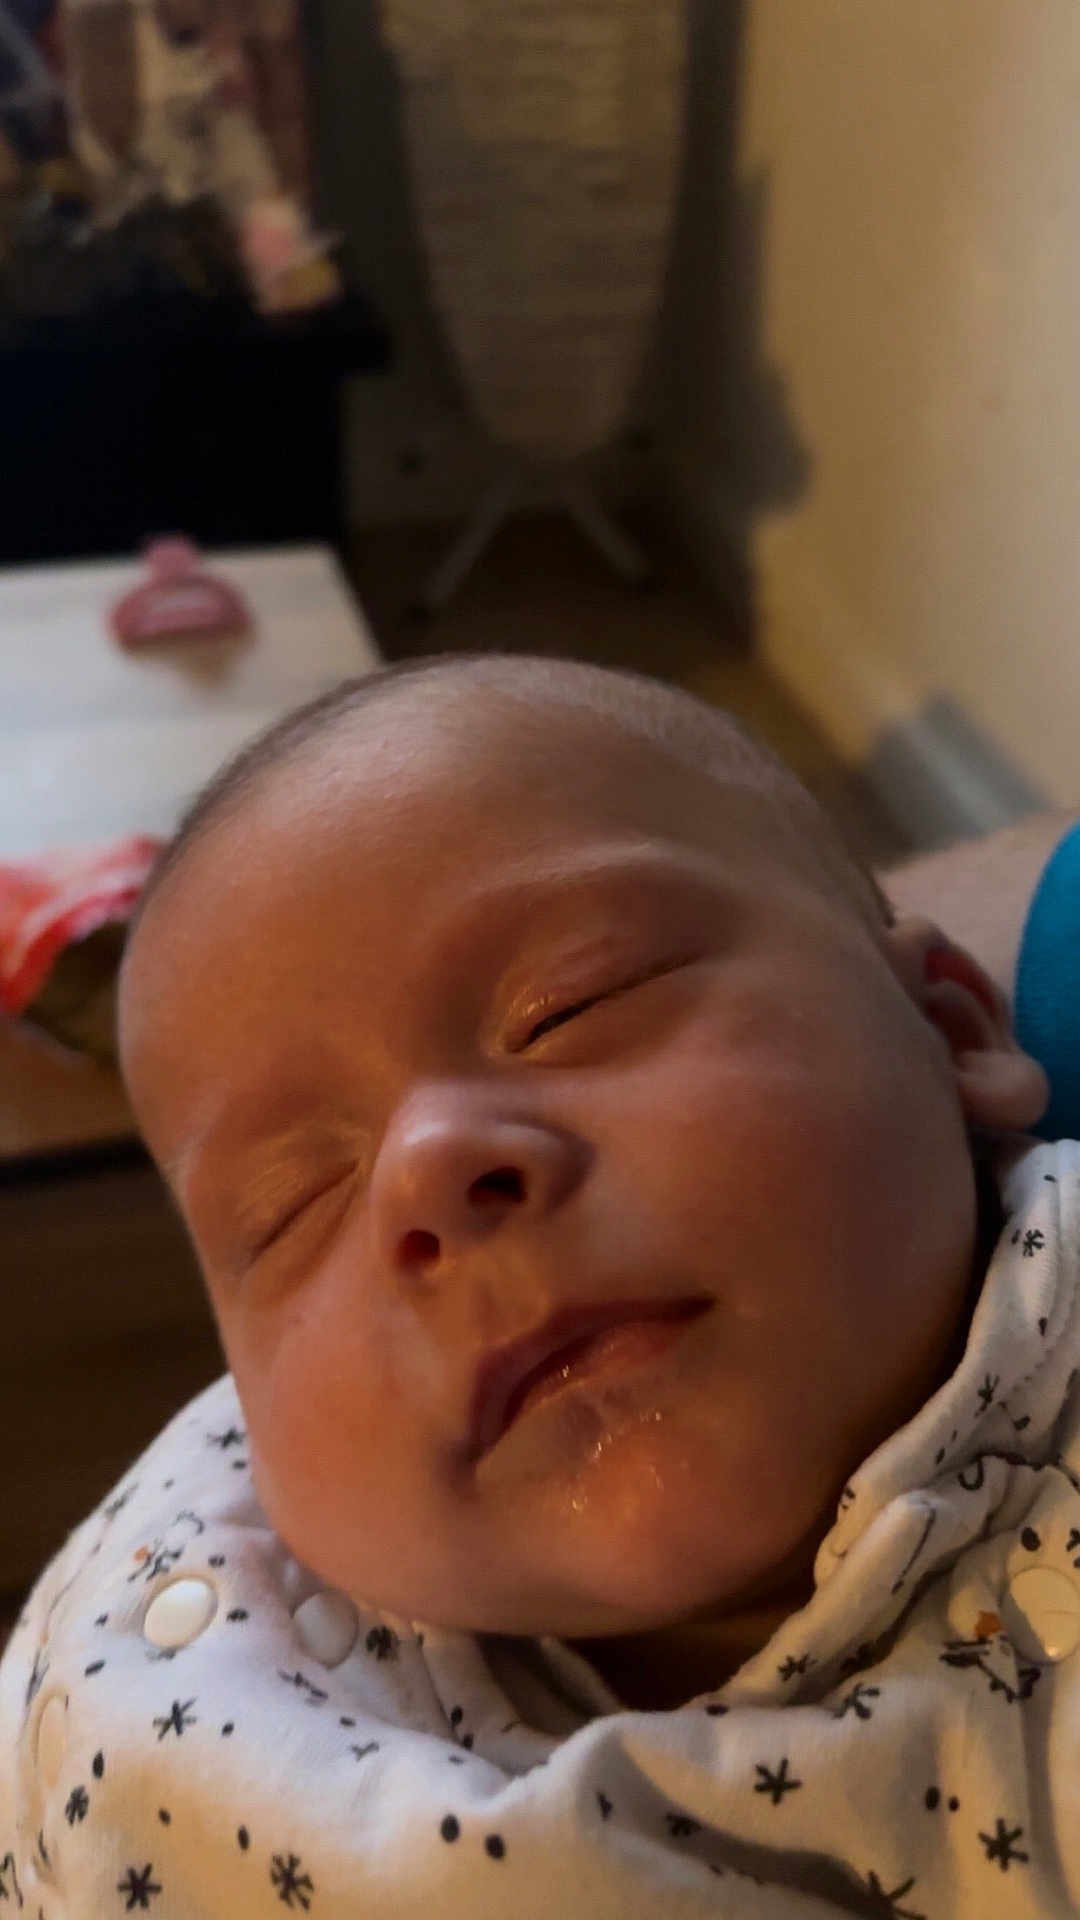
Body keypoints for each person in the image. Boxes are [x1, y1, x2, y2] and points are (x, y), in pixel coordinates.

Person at [2, 651, 1078, 1918]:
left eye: (572, 1004)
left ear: (951, 1030)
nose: (428, 1169)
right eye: (289, 1205)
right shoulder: (157, 1696)